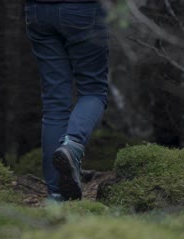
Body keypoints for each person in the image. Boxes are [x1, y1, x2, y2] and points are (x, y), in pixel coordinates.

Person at [25, 0, 109, 201]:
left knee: (55, 103)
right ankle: (73, 144)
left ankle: (56, 195)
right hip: (82, 9)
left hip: (37, 11)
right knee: (93, 90)